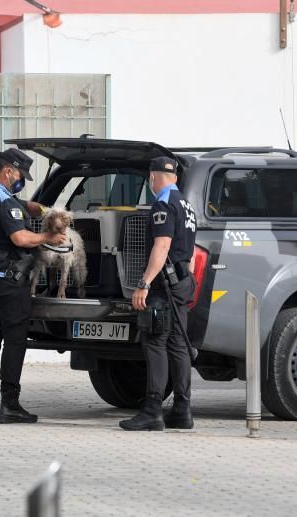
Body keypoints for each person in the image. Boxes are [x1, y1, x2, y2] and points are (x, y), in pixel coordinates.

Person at [0, 148, 66, 424]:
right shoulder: (6, 203)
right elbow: (21, 238)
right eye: (20, 174)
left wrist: (47, 210)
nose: (21, 179)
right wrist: (48, 236)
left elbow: (25, 206)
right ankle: (9, 404)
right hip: (9, 282)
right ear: (8, 171)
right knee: (14, 340)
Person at [120, 156, 197, 431]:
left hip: (163, 285)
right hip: (182, 282)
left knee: (155, 342)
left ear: (153, 178)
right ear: (174, 176)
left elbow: (161, 246)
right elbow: (190, 254)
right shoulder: (187, 206)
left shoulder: (162, 204)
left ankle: (152, 410)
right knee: (178, 344)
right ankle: (182, 410)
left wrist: (144, 283)